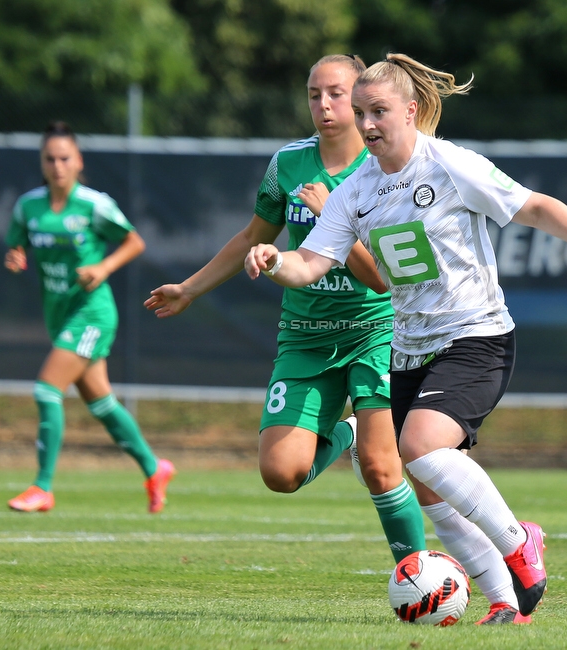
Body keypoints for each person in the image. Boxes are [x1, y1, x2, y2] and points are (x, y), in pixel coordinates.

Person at [244, 53, 567, 624]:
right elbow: (309, 263)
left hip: (476, 335)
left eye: (378, 110)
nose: (368, 123)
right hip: (409, 347)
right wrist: (273, 259)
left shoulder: (450, 165)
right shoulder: (356, 189)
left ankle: (517, 539)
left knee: (422, 447)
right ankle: (505, 600)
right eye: (361, 112)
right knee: (429, 484)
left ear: (411, 111)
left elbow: (531, 205)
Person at [144, 54, 426, 562]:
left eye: (336, 93)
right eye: (314, 94)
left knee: (383, 470)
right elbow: (254, 236)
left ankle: (417, 576)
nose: (324, 105)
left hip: (375, 331)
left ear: (361, 96)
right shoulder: (288, 164)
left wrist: (332, 216)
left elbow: (382, 280)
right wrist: (190, 288)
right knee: (280, 473)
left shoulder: (388, 167)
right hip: (306, 334)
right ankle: (349, 432)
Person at [4, 121, 175, 513]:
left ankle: (42, 487)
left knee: (46, 390)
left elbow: (134, 241)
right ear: (42, 162)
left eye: (65, 158)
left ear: (78, 161)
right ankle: (155, 467)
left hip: (91, 313)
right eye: (50, 159)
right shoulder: (28, 206)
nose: (57, 166)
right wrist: (16, 258)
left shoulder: (94, 204)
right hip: (59, 314)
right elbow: (17, 247)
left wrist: (102, 268)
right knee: (102, 404)